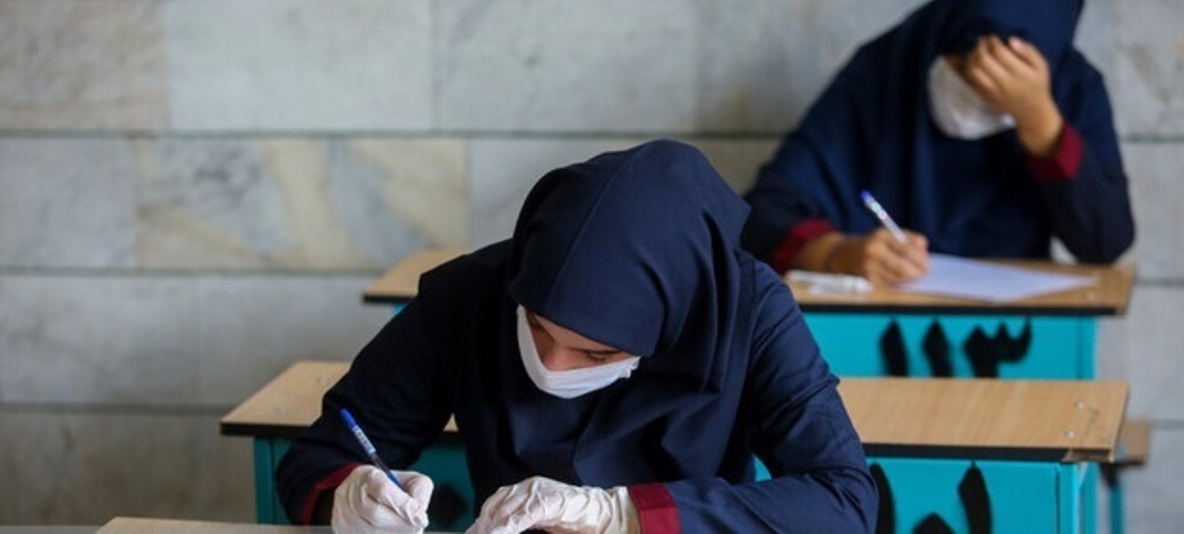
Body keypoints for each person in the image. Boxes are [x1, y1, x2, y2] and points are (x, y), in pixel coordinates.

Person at [275, 139, 877, 532]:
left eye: (596, 352)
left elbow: (844, 499)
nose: (553, 366)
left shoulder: (745, 309)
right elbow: (322, 454)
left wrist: (623, 515)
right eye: (536, 327)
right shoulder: (470, 294)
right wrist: (348, 495)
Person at [741, 0, 1135, 287]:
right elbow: (762, 214)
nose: (984, 94)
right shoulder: (885, 73)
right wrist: (835, 254)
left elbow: (1106, 242)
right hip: (878, 311)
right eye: (968, 71)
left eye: (1006, 89)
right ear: (939, 43)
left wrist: (1041, 124)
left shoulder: (1072, 89)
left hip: (1015, 327)